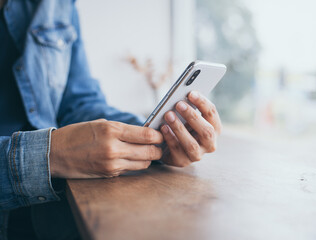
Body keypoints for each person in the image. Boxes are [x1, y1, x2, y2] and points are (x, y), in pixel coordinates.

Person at [0, 0, 222, 239]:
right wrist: (50, 155)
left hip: (50, 217)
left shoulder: (58, 5)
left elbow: (78, 102)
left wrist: (155, 131)